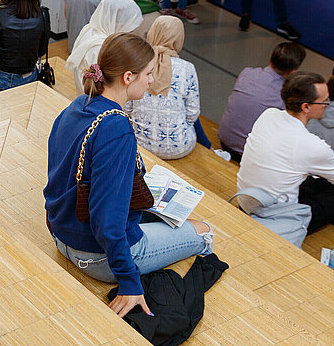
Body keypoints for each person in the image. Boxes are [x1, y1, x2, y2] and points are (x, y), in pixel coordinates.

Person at [45, 33, 213, 317]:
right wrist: (129, 281)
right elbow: (107, 219)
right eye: (148, 74)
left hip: (62, 237)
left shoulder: (77, 105)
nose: (151, 80)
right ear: (127, 77)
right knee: (204, 230)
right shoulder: (116, 129)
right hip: (97, 257)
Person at [238, 71, 334, 235]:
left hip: (245, 199)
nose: (328, 104)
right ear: (306, 107)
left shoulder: (268, 115)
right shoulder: (311, 145)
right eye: (325, 101)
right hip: (274, 217)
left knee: (319, 182)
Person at [126, 16, 201, 160]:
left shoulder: (138, 62)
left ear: (152, 33)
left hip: (139, 143)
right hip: (179, 147)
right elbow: (193, 113)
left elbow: (127, 107)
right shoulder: (187, 69)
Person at [217, 41, 306, 161]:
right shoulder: (285, 95)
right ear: (293, 72)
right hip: (247, 153)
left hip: (224, 139)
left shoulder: (247, 72)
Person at [65, 0, 143, 89]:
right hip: (93, 93)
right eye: (129, 29)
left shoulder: (90, 28)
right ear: (118, 24)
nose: (129, 33)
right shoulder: (100, 48)